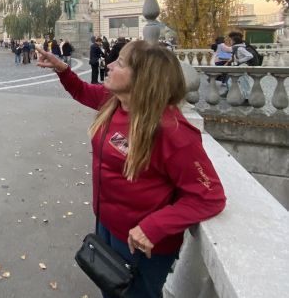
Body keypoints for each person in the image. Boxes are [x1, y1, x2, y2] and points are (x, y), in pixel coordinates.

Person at [36, 41, 226, 298]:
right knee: (111, 288)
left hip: (141, 243)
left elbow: (209, 196)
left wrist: (155, 226)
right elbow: (81, 90)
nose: (110, 65)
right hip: (107, 225)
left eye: (121, 63)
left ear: (143, 78)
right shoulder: (115, 102)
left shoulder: (173, 132)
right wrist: (62, 69)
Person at [228, 31, 253, 105]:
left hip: (242, 66)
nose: (230, 42)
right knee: (231, 81)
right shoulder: (236, 48)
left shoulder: (239, 48)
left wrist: (239, 61)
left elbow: (250, 55)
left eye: (231, 40)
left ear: (235, 41)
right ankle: (238, 96)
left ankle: (247, 99)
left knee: (245, 83)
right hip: (239, 66)